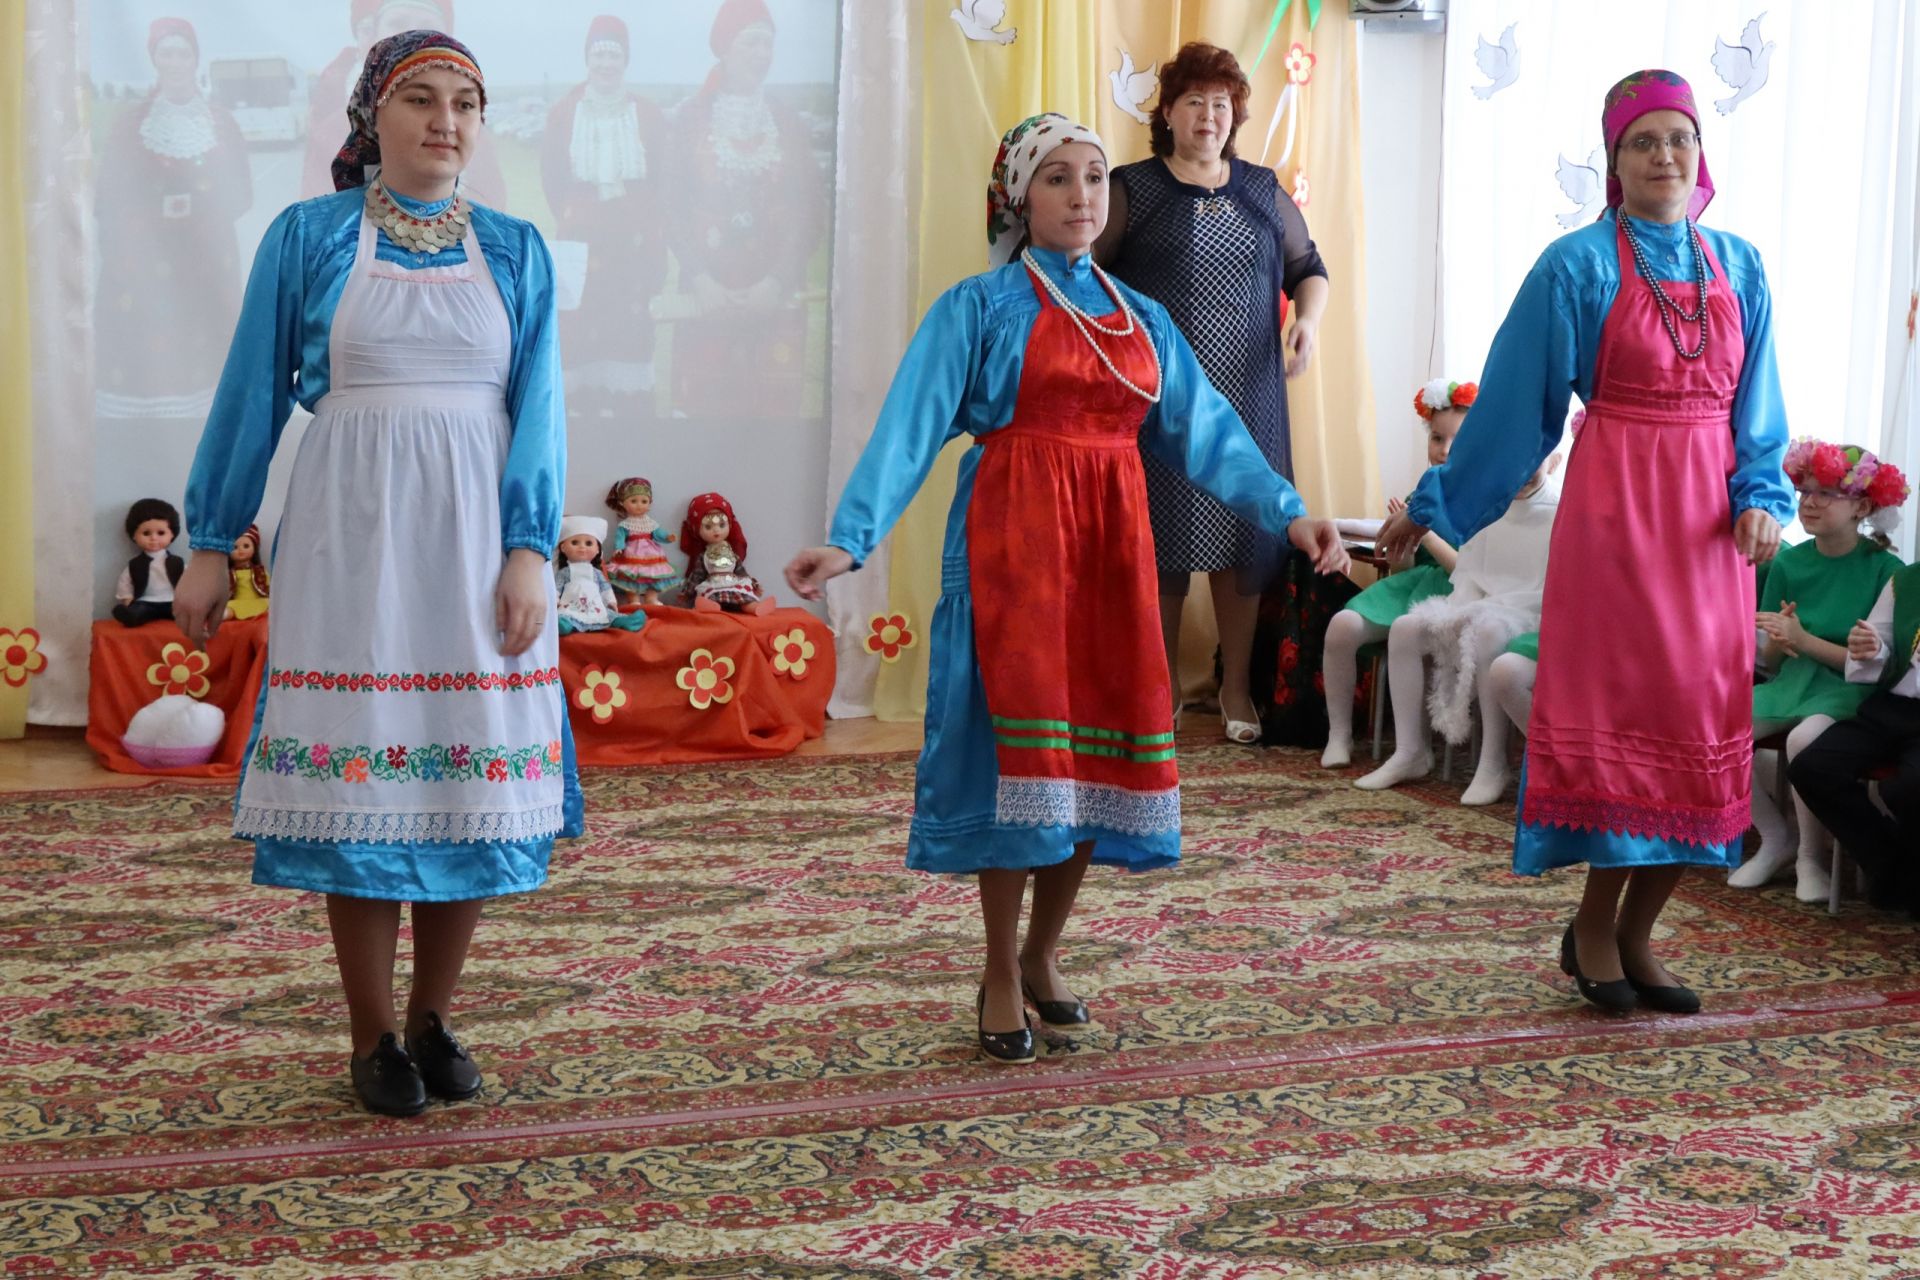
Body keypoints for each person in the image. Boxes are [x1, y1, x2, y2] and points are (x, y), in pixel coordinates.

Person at [784, 113, 1346, 1066]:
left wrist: (1289, 510)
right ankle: (999, 966)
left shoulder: (1143, 319)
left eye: (1093, 178)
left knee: (1091, 761)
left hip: (1112, 555)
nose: (1083, 195)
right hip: (1016, 547)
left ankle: (1045, 954)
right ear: (1019, 198)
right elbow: (910, 428)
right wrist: (850, 541)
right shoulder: (979, 308)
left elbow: (1205, 430)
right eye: (1058, 179)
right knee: (1023, 767)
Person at [173, 30, 582, 1117]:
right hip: (353, 534)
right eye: (421, 100)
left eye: (466, 103)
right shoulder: (306, 238)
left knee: (466, 785)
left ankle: (434, 1013)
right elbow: (249, 396)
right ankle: (371, 1033)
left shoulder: (516, 247)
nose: (447, 122)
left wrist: (530, 546)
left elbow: (537, 406)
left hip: (476, 534)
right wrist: (210, 540)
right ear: (373, 118)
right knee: (364, 785)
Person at [1379, 69, 1793, 1016]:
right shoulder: (1576, 267)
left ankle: (1636, 936)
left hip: (1707, 544)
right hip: (1615, 526)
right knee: (1625, 735)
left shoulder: (1743, 266)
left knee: (1695, 734)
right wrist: (1435, 502)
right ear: (1614, 160)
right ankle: (1598, 927)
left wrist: (1761, 492)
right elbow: (1517, 406)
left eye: (1679, 138)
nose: (1664, 156)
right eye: (1643, 141)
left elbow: (1759, 408)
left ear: (1701, 153)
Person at [1096, 41, 1330, 744]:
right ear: (1167, 112)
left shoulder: (1262, 190)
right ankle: (1159, 688)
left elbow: (1308, 268)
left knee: (1244, 538)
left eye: (1222, 103)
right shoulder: (1131, 188)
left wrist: (1308, 323)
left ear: (1236, 116)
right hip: (1159, 399)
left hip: (1250, 391)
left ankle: (1235, 690)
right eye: (1194, 100)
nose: (1208, 114)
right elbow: (1087, 276)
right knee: (1159, 542)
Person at [1733, 440, 1906, 899]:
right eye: (1805, 491)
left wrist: (1805, 641)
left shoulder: (1885, 568)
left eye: (1826, 493)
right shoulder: (1789, 560)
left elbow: (1871, 666)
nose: (1809, 502)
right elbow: (1770, 662)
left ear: (1862, 507)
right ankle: (1776, 838)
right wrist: (1779, 641)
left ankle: (1811, 857)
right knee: (1718, 727)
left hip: (1847, 692)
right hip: (1793, 682)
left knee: (1804, 741)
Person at [1356, 454, 1561, 792]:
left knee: (1488, 629)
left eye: (1536, 459)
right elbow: (1470, 574)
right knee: (1406, 629)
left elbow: (1548, 587)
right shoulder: (1488, 503)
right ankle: (1411, 751)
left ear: (1554, 461)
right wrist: (1467, 606)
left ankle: (1493, 763)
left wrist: (1487, 609)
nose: (1522, 468)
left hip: (1528, 611)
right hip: (1480, 601)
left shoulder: (1559, 509)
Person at [670, 0, 825, 418]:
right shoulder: (690, 120)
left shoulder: (787, 123)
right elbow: (672, 208)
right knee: (703, 422)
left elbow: (810, 211)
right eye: (751, 43)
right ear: (724, 48)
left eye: (768, 44)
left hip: (773, 306)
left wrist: (777, 282)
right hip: (707, 304)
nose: (761, 54)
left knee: (769, 422)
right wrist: (700, 279)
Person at [95, 18, 252, 422]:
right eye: (167, 52)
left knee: (207, 333)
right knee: (151, 334)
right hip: (146, 258)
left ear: (195, 59)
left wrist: (201, 209)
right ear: (155, 59)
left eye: (184, 53)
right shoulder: (131, 124)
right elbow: (108, 194)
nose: (176, 61)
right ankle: (148, 429)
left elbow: (242, 193)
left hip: (207, 256)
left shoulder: (221, 123)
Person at [1320, 380, 1470, 768]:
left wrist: (1423, 529)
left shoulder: (1482, 493)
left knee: (1408, 632)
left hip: (1456, 591)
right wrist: (1397, 537)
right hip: (1414, 585)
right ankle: (1339, 735)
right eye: (1437, 438)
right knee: (1341, 627)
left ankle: (1414, 749)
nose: (1445, 450)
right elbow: (1403, 562)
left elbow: (1467, 570)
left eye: (1456, 439)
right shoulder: (1424, 486)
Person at [541, 15, 673, 414]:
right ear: (587, 60)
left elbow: (664, 180)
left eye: (614, 56)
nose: (606, 64)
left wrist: (645, 226)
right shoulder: (564, 113)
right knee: (580, 334)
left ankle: (629, 429)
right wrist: (579, 216)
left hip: (634, 250)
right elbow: (552, 179)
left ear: (625, 61)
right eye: (599, 55)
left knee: (630, 332)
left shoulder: (648, 114)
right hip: (581, 246)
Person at [1789, 561, 1920, 915]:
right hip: (1893, 704)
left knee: (1906, 787)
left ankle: (1900, 879)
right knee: (1812, 767)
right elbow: (1878, 648)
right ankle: (1892, 867)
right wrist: (1870, 648)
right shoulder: (1907, 580)